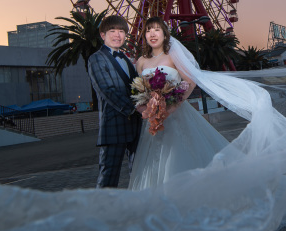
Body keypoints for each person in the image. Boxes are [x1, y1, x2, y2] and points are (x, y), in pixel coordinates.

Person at [129, 17, 229, 190]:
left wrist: (173, 106)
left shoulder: (172, 56)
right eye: (148, 30)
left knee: (177, 157)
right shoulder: (141, 62)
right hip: (153, 120)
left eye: (157, 30)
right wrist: (143, 109)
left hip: (176, 115)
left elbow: (190, 81)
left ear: (165, 34)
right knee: (154, 161)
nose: (152, 34)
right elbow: (138, 90)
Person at [87, 14, 143, 188]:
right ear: (103, 35)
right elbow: (108, 91)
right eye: (112, 31)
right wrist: (138, 109)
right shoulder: (96, 58)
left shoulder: (127, 59)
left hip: (136, 125)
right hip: (114, 125)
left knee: (139, 170)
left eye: (121, 31)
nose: (118, 35)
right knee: (109, 175)